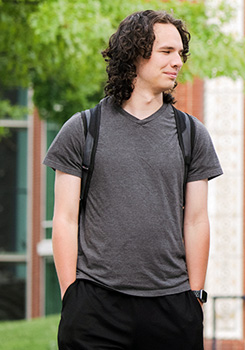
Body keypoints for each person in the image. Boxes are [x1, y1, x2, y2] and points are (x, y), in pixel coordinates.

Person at [44, 10, 223, 350]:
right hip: (95, 306)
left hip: (172, 306)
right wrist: (72, 295)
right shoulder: (82, 129)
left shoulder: (192, 134)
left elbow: (197, 220)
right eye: (166, 51)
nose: (178, 62)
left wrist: (195, 297)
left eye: (181, 54)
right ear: (135, 53)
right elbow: (64, 219)